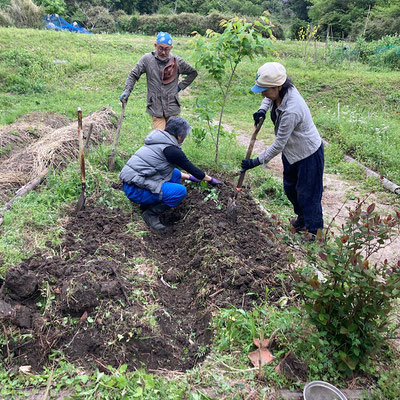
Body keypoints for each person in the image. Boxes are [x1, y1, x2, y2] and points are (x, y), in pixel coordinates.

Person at [242, 62, 324, 239]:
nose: (263, 93)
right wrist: (262, 110)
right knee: (290, 189)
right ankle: (302, 219)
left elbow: (279, 143)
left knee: (308, 193)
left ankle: (314, 231)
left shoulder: (292, 109)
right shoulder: (278, 92)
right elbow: (268, 97)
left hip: (308, 153)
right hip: (292, 152)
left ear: (278, 86)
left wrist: (255, 161)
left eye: (265, 90)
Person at [120, 116, 221, 231]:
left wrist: (189, 177)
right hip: (135, 190)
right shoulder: (171, 150)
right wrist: (211, 180)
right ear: (179, 136)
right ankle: (150, 214)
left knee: (176, 173)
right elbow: (194, 170)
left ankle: (148, 203)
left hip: (131, 182)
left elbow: (176, 171)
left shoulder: (158, 140)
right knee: (180, 191)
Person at [120, 32, 198, 130]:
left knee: (172, 138)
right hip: (155, 106)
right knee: (160, 137)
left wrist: (180, 87)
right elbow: (133, 75)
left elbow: (193, 73)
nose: (163, 52)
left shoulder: (177, 61)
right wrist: (127, 91)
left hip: (172, 106)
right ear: (155, 45)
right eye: (160, 48)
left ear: (171, 48)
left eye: (167, 49)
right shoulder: (147, 60)